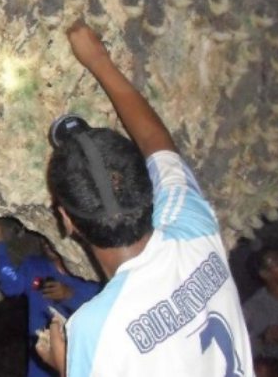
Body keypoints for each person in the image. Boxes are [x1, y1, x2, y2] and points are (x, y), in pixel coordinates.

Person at [33, 20, 251, 376]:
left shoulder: (95, 329)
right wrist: (99, 61)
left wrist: (63, 365)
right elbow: (155, 140)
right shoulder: (193, 230)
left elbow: (154, 143)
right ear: (147, 187)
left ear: (68, 221)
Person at [0, 219, 102, 377]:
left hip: (82, 364)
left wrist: (69, 295)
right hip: (41, 368)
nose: (47, 243)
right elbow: (11, 286)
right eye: (43, 238)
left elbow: (101, 314)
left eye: (51, 238)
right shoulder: (35, 266)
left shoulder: (88, 276)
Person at [245, 247, 278, 363]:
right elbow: (244, 350)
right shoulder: (253, 309)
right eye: (277, 262)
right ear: (265, 274)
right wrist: (264, 338)